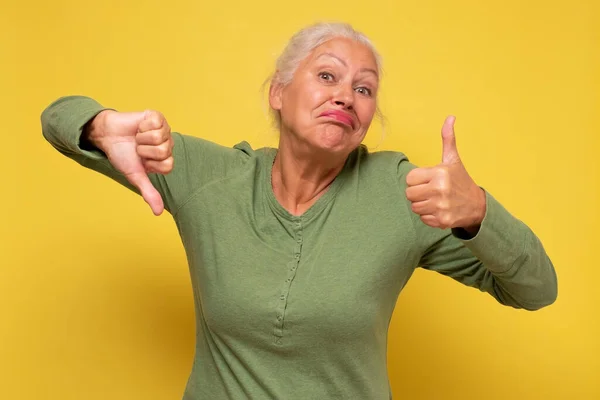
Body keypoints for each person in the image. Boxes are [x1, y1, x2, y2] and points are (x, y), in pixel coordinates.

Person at [41, 22, 557, 400]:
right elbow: (57, 117)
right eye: (327, 75)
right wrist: (99, 126)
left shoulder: (405, 195)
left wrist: (479, 214)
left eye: (364, 88)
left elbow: (536, 289)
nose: (346, 96)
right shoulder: (209, 176)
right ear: (279, 94)